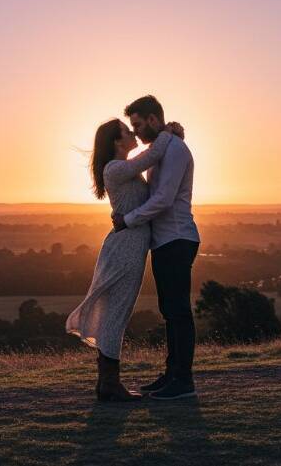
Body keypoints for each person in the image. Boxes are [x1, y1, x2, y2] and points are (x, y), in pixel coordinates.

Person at [66, 116, 184, 402]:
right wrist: (168, 132)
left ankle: (107, 383)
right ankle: (109, 384)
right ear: (117, 142)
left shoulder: (123, 168)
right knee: (116, 313)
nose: (132, 132)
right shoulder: (116, 168)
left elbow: (152, 162)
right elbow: (153, 155)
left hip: (130, 245)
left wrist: (171, 137)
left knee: (117, 312)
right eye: (126, 130)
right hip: (126, 248)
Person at [111, 95, 200, 400]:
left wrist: (128, 220)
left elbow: (163, 199)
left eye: (137, 125)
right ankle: (172, 374)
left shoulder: (174, 149)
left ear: (152, 119)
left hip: (177, 238)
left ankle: (184, 380)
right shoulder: (162, 148)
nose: (135, 133)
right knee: (170, 311)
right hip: (164, 241)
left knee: (179, 311)